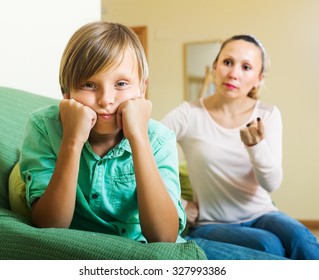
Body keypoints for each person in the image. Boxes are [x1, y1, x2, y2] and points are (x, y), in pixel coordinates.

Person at [19, 22, 284, 259]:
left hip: (154, 245)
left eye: (121, 83)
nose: (106, 100)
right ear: (66, 92)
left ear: (142, 88)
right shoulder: (44, 127)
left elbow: (164, 236)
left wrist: (138, 137)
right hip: (154, 244)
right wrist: (72, 142)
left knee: (281, 253)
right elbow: (49, 226)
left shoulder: (157, 137)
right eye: (89, 85)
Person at [162, 34, 319, 260]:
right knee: (268, 245)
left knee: (302, 240)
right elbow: (146, 152)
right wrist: (179, 202)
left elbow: (271, 183)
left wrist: (255, 146)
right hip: (211, 222)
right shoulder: (188, 114)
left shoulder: (267, 114)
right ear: (215, 67)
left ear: (259, 79)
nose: (233, 73)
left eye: (246, 67)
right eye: (227, 62)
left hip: (263, 213)